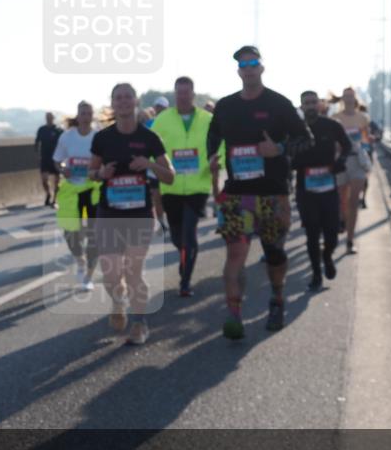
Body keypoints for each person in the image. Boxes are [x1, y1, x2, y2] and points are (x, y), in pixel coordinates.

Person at [207, 46, 313, 339]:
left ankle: (277, 299)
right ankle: (234, 315)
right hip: (237, 194)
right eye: (243, 64)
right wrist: (211, 155)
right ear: (238, 71)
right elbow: (213, 134)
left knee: (274, 253)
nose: (249, 68)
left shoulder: (279, 104)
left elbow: (306, 140)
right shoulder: (226, 106)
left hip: (272, 193)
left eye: (253, 63)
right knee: (235, 254)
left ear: (262, 68)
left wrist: (278, 149)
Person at [89, 83, 174, 345]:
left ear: (136, 101)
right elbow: (91, 174)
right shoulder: (102, 138)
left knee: (133, 270)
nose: (124, 101)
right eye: (118, 98)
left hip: (140, 214)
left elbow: (169, 176)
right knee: (111, 272)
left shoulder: (150, 138)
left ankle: (139, 324)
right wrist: (101, 174)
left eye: (128, 97)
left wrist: (148, 164)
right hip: (109, 213)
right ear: (112, 103)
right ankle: (118, 300)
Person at [151, 76, 217, 296]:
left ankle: (185, 280)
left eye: (186, 92)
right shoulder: (162, 120)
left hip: (198, 186)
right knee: (178, 237)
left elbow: (221, 144)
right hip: (171, 187)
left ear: (193, 94)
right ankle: (184, 256)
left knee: (189, 234)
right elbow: (151, 146)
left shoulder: (208, 119)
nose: (183, 96)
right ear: (174, 94)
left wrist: (217, 162)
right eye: (179, 92)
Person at [292, 91, 353, 290]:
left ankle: (327, 256)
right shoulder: (295, 128)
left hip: (328, 186)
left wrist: (341, 162)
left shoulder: (331, 125)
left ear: (319, 104)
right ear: (301, 106)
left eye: (313, 102)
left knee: (332, 232)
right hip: (305, 188)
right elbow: (286, 151)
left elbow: (347, 145)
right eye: (306, 103)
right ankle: (316, 274)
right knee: (311, 232)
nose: (310, 106)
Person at [53, 101, 100, 290]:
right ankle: (80, 261)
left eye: (89, 113)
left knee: (95, 236)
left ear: (92, 115)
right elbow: (57, 161)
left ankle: (88, 276)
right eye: (83, 113)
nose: (86, 117)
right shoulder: (67, 137)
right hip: (72, 190)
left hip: (92, 190)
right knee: (71, 234)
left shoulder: (99, 137)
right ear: (78, 116)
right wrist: (63, 170)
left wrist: (97, 171)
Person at [331, 87, 371, 253]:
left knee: (354, 202)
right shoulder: (335, 118)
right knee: (342, 201)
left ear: (355, 99)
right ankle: (342, 220)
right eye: (346, 96)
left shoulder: (363, 118)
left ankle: (350, 240)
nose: (348, 99)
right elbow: (331, 141)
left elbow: (366, 140)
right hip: (341, 160)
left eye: (351, 96)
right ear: (342, 99)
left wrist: (364, 143)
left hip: (356, 160)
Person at [35, 111, 63, 207]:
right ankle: (48, 194)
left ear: (53, 118)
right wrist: (38, 155)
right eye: (47, 117)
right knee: (44, 179)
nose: (48, 119)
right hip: (45, 158)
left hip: (56, 158)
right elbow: (37, 142)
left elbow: (63, 144)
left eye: (50, 117)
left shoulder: (58, 130)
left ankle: (54, 199)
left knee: (57, 181)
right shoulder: (42, 130)